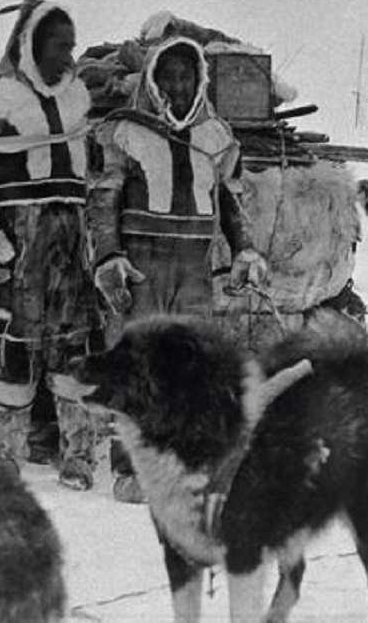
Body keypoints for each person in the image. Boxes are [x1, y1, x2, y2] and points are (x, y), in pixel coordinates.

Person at [86, 35, 268, 501]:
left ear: (199, 80)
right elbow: (104, 197)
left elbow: (228, 199)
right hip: (143, 266)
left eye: (185, 77)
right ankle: (130, 468)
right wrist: (109, 255)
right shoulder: (123, 132)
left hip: (193, 268)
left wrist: (244, 248)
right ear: (152, 80)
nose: (177, 87)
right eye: (167, 76)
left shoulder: (216, 137)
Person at [0, 0, 104, 489]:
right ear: (33, 45)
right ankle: (4, 458)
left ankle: (79, 459)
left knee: (72, 353)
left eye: (72, 46)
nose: (68, 56)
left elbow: (96, 177)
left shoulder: (78, 101)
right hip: (19, 243)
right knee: (12, 353)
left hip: (70, 244)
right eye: (59, 46)